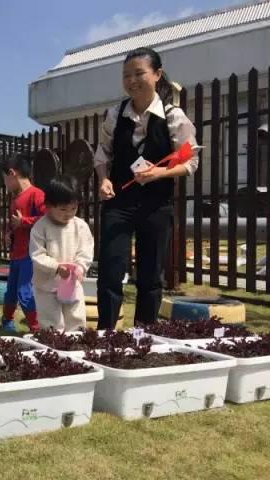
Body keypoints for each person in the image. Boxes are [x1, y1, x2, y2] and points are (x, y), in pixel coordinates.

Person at [94, 47, 199, 330]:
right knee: (110, 271)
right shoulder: (115, 115)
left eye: (139, 73)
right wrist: (103, 178)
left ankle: (144, 336)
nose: (131, 80)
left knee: (151, 276)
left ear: (157, 75)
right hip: (119, 203)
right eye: (126, 75)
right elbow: (102, 154)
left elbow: (190, 161)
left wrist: (160, 173)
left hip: (156, 204)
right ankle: (106, 335)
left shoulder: (173, 116)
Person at [30, 176, 94, 331]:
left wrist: (80, 267)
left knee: (76, 318)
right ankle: (52, 346)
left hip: (72, 283)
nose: (69, 214)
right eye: (63, 209)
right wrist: (56, 267)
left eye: (73, 208)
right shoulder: (40, 227)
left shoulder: (80, 226)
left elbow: (86, 250)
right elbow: (37, 254)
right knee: (51, 321)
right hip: (46, 285)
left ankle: (76, 343)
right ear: (49, 206)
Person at [0, 152, 45, 333]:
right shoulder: (15, 199)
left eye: (4, 178)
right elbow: (14, 224)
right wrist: (9, 233)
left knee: (25, 293)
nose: (5, 184)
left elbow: (47, 219)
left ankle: (36, 329)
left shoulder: (37, 194)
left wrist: (24, 221)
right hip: (16, 254)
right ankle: (6, 320)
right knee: (11, 291)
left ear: (12, 173)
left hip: (30, 253)